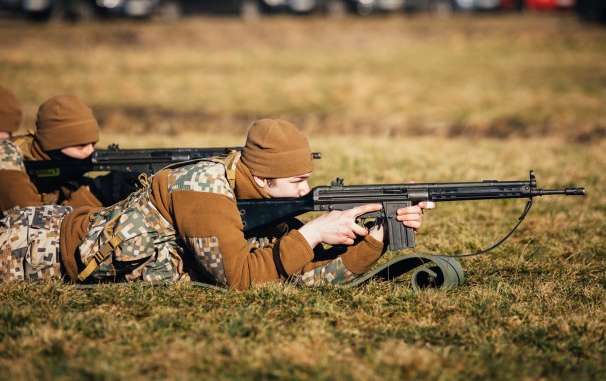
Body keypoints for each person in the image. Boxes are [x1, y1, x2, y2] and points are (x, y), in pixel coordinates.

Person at [0, 118, 427, 289]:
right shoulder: (203, 192)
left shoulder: (248, 193)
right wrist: (312, 232)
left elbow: (292, 275)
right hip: (29, 246)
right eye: (296, 181)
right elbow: (242, 278)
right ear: (261, 178)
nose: (303, 192)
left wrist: (376, 238)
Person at [0, 94, 103, 216]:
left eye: (93, 144)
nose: (91, 151)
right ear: (54, 143)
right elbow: (30, 226)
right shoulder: (6, 157)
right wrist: (91, 195)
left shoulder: (70, 161)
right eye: (81, 146)